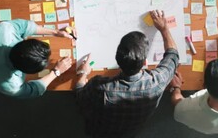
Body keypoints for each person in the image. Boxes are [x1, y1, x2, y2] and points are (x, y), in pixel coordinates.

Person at [75, 10, 179, 138]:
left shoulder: (99, 86)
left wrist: (83, 74)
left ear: (117, 59)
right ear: (145, 62)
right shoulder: (157, 82)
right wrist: (164, 29)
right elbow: (173, 55)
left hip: (99, 131)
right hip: (131, 131)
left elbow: (79, 97)